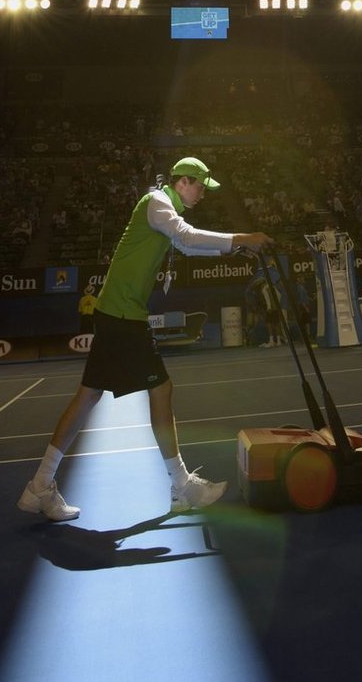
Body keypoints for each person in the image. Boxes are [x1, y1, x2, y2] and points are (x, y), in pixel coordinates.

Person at [18, 156, 271, 523]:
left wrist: (234, 247)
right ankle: (181, 485)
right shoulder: (155, 202)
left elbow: (185, 245)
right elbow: (184, 237)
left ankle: (40, 485)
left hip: (115, 313)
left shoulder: (163, 208)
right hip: (122, 315)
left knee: (89, 395)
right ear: (183, 181)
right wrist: (241, 238)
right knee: (161, 390)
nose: (203, 194)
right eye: (200, 186)